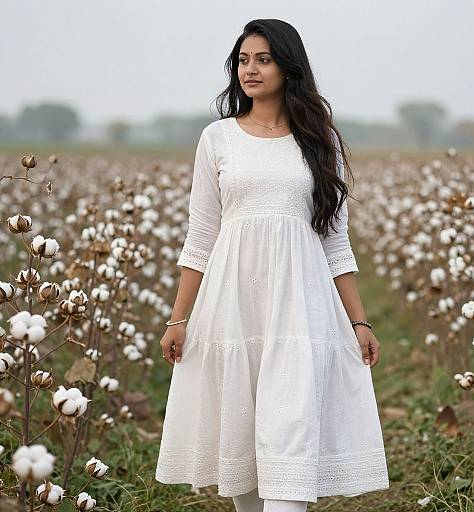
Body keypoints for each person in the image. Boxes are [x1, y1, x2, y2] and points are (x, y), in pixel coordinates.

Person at [155, 18, 390, 512]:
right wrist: (180, 318)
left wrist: (359, 320)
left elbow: (335, 242)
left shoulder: (319, 142)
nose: (250, 69)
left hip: (300, 309)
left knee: (291, 433)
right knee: (240, 441)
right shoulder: (217, 139)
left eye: (263, 59)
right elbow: (201, 235)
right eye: (243, 60)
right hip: (232, 305)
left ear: (289, 66)